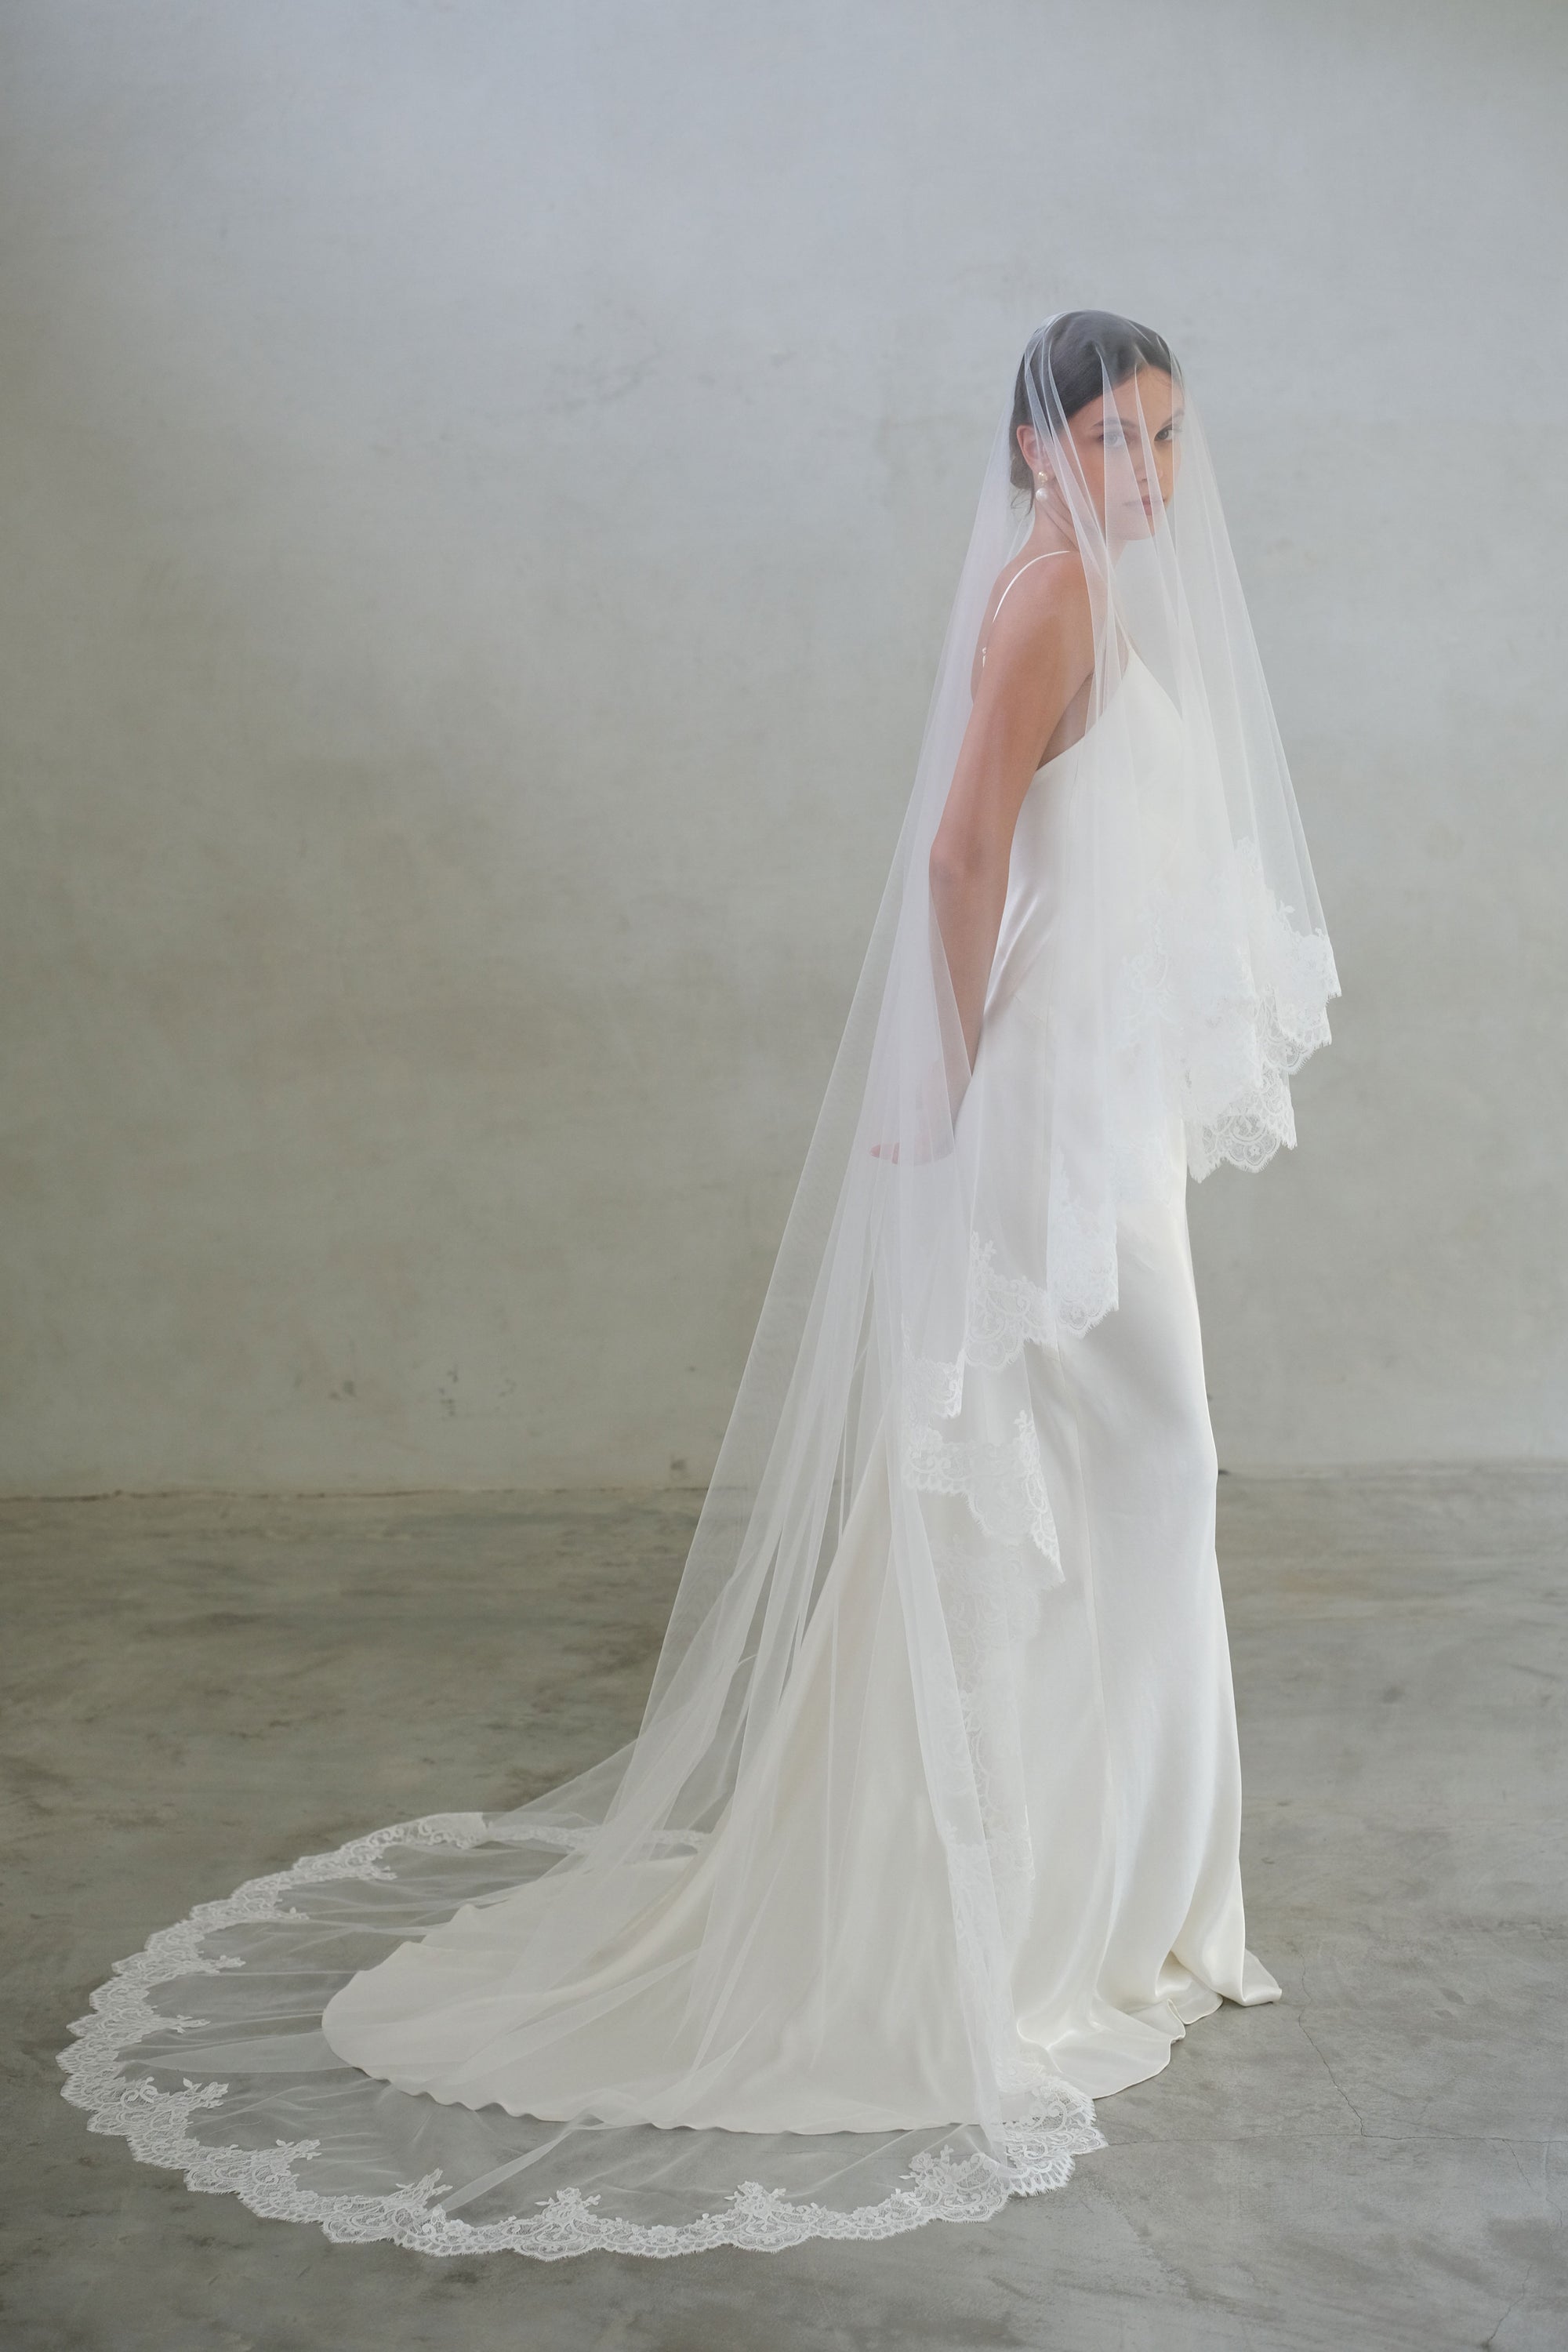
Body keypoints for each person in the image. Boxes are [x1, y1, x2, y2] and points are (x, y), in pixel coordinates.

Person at [61, 311, 1339, 2260]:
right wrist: (945, 1086)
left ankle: (1115, 1902)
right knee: (1134, 1482)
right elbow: (961, 856)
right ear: (1032, 448)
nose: (1146, 475)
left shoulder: (1094, 596)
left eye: (1167, 439)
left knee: (1117, 1494)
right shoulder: (1051, 599)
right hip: (1041, 1122)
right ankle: (1058, 1919)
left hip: (1101, 1122)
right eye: (1110, 441)